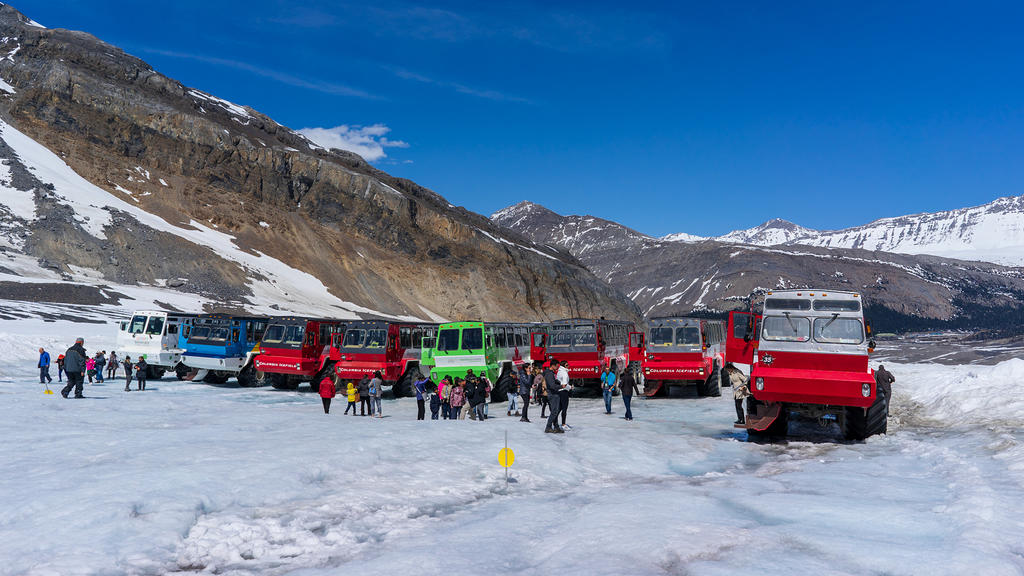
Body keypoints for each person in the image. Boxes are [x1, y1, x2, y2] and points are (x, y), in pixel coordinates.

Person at [544, 360, 564, 433]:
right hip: (553, 394)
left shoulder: (551, 373)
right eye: (556, 366)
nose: (557, 368)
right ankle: (548, 427)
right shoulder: (549, 374)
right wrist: (561, 386)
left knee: (555, 411)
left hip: (554, 394)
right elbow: (552, 386)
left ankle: (556, 427)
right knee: (554, 412)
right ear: (552, 365)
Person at [557, 360, 571, 429]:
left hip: (559, 391)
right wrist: (570, 387)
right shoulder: (564, 373)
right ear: (564, 366)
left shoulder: (559, 372)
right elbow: (564, 384)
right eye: (566, 365)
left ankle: (555, 421)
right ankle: (563, 423)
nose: (568, 366)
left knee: (559, 408)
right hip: (564, 391)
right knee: (564, 408)